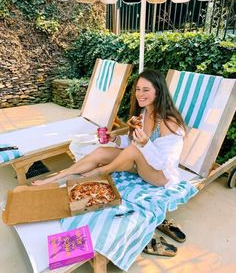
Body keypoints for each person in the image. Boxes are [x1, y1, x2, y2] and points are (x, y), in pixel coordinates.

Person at [32, 69, 186, 187]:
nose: (140, 94)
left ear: (158, 92)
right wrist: (116, 138)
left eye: (146, 90)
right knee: (101, 151)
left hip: (160, 175)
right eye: (138, 89)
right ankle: (57, 178)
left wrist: (145, 144)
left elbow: (163, 163)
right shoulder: (144, 113)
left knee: (134, 149)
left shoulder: (169, 123)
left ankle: (101, 171)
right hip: (141, 163)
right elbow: (134, 142)